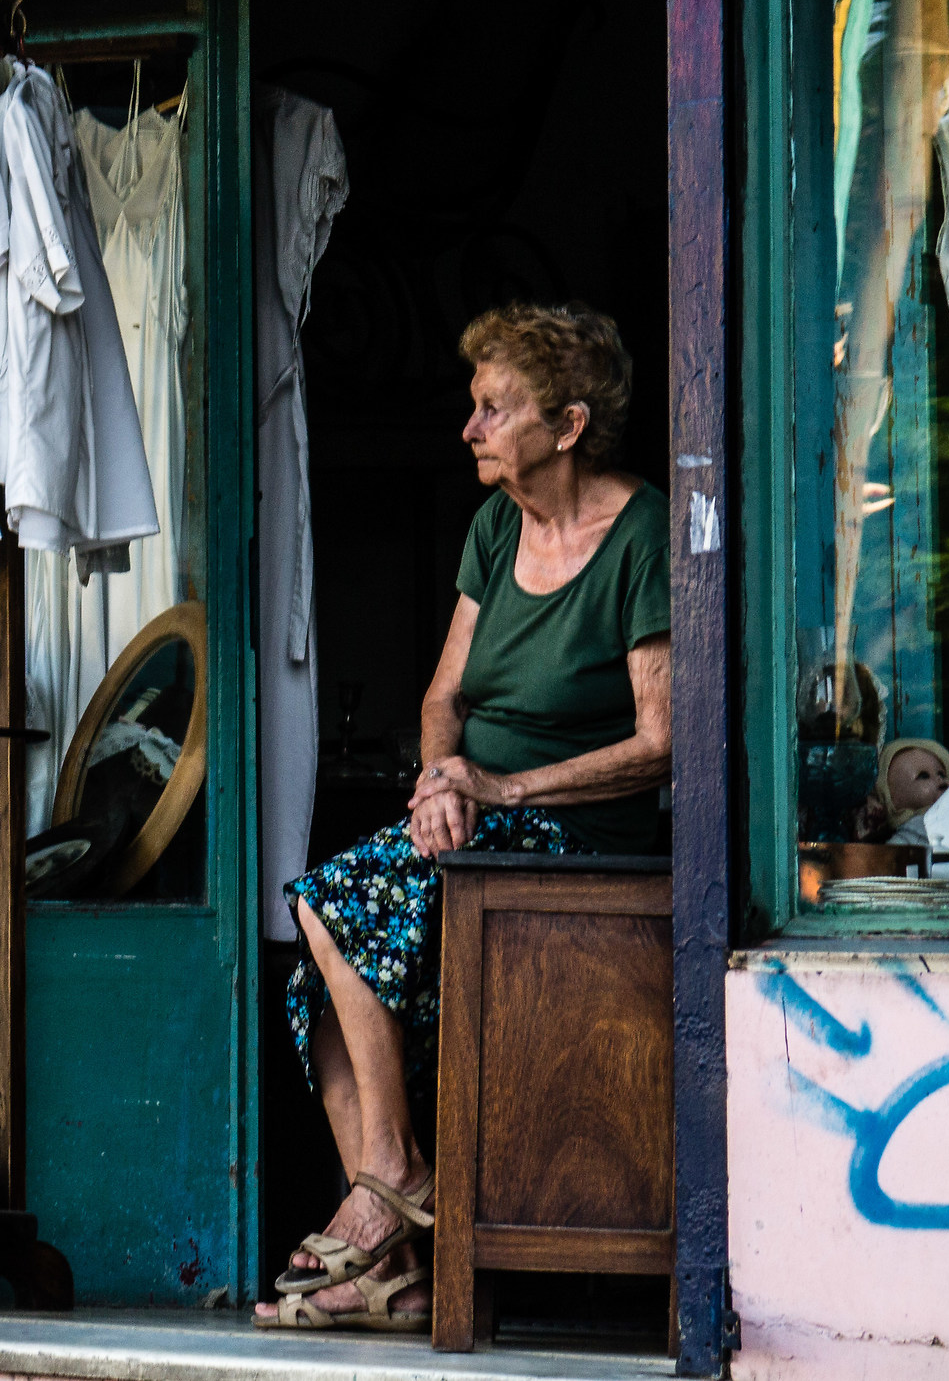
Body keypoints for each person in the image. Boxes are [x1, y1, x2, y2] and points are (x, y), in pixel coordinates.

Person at [255, 301, 672, 1332]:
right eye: (473, 405)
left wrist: (500, 790)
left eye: (495, 408)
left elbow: (662, 742)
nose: (470, 429)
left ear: (569, 425)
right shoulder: (497, 527)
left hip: (584, 830)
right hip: (482, 815)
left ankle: (393, 1184)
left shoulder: (643, 533)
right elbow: (444, 694)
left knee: (326, 905)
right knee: (318, 967)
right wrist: (445, 780)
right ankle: (389, 1262)